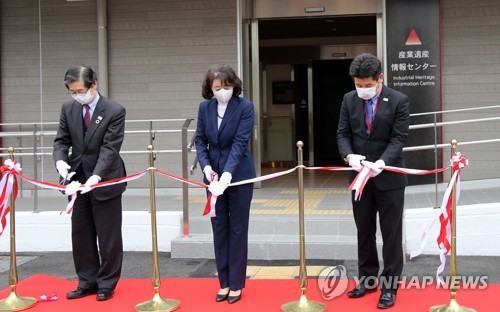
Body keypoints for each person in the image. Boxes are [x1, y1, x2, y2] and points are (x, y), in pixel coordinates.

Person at [336, 53, 409, 309]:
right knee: (364, 231)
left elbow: (399, 138)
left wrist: (383, 162)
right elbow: (343, 133)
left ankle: (389, 287)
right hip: (360, 177)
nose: (363, 90)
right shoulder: (348, 99)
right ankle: (368, 280)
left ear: (380, 78)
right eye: (359, 85)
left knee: (391, 234)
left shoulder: (399, 100)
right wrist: (349, 156)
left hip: (388, 178)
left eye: (368, 85)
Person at [53, 65, 127, 301]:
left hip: (105, 179)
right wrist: (60, 162)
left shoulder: (114, 110)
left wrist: (97, 176)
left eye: (80, 90)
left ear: (94, 84)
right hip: (77, 179)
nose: (77, 96)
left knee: (108, 236)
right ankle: (87, 281)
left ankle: (106, 283)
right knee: (81, 233)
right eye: (72, 92)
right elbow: (61, 140)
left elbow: (109, 148)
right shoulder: (68, 108)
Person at [195, 64, 256, 304]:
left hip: (239, 175)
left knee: (238, 229)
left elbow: (240, 143)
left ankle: (237, 283)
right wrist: (207, 167)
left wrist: (228, 175)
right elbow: (200, 140)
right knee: (219, 229)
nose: (223, 91)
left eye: (227, 86)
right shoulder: (205, 107)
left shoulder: (245, 107)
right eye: (218, 87)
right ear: (210, 88)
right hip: (212, 178)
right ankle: (224, 281)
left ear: (234, 85)